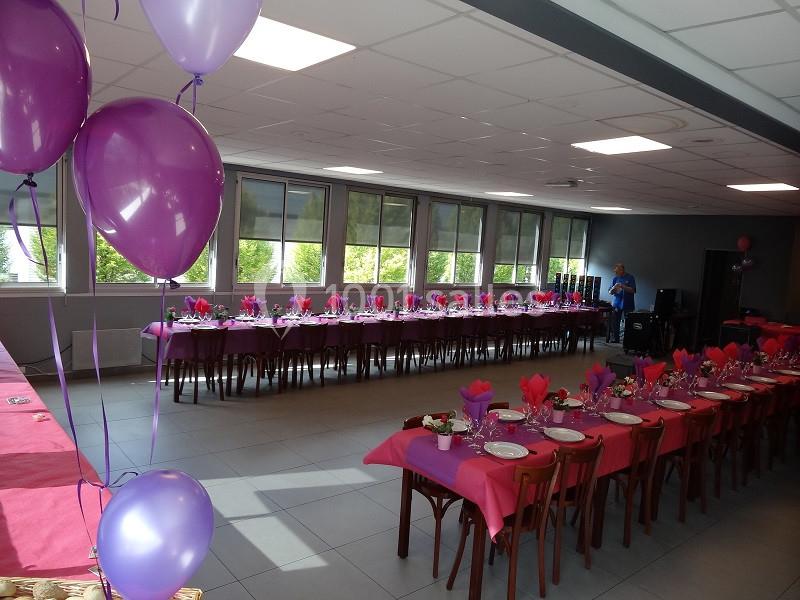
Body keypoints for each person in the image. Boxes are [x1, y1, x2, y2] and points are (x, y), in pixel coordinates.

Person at [608, 263, 636, 343]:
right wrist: (613, 289)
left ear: (622, 270)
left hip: (628, 303)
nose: (616, 273)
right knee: (615, 322)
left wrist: (623, 286)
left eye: (617, 271)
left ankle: (627, 340)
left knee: (629, 322)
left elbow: (633, 290)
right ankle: (616, 339)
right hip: (617, 303)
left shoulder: (630, 277)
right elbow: (610, 292)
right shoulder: (615, 278)